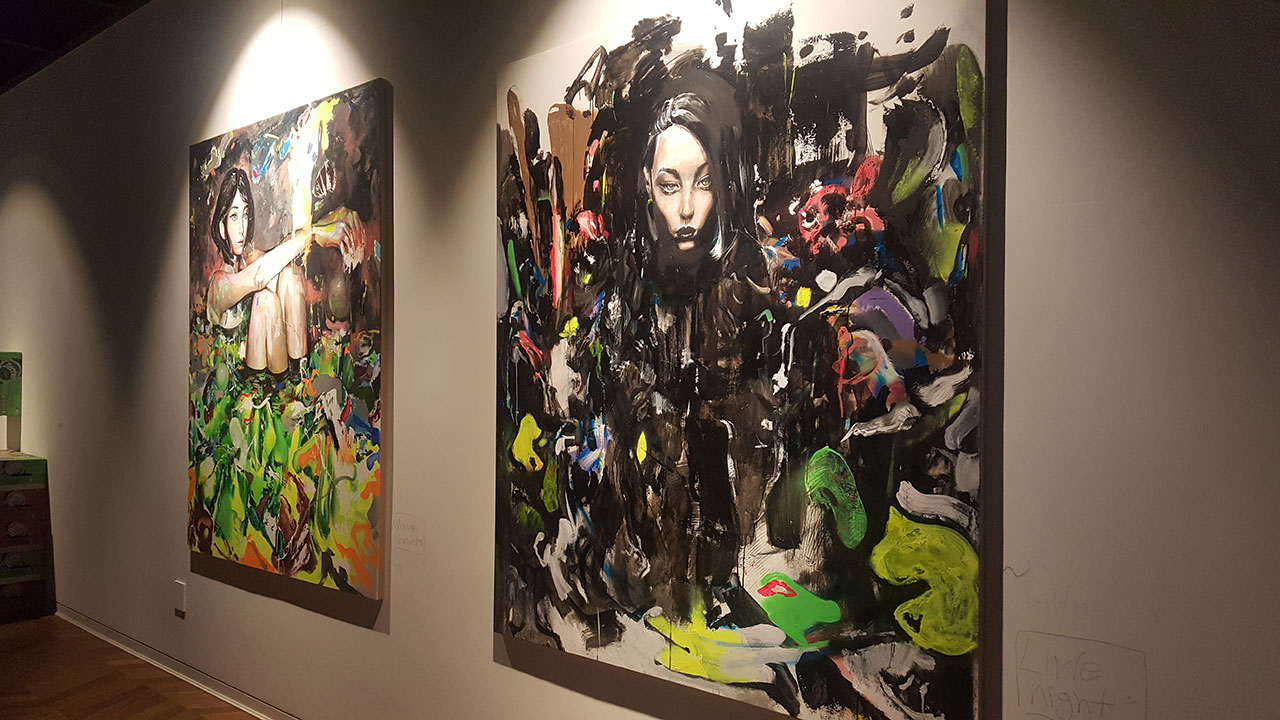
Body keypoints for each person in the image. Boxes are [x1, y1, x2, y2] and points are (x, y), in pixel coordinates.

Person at [205, 167, 361, 373]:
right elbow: (259, 275)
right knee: (265, 301)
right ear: (222, 226)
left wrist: (333, 219)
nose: (242, 227)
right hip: (244, 380)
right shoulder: (218, 285)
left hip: (279, 370)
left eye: (245, 214)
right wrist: (314, 233)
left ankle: (299, 372)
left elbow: (282, 251)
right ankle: (280, 380)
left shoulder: (252, 261)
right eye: (234, 216)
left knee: (289, 275)